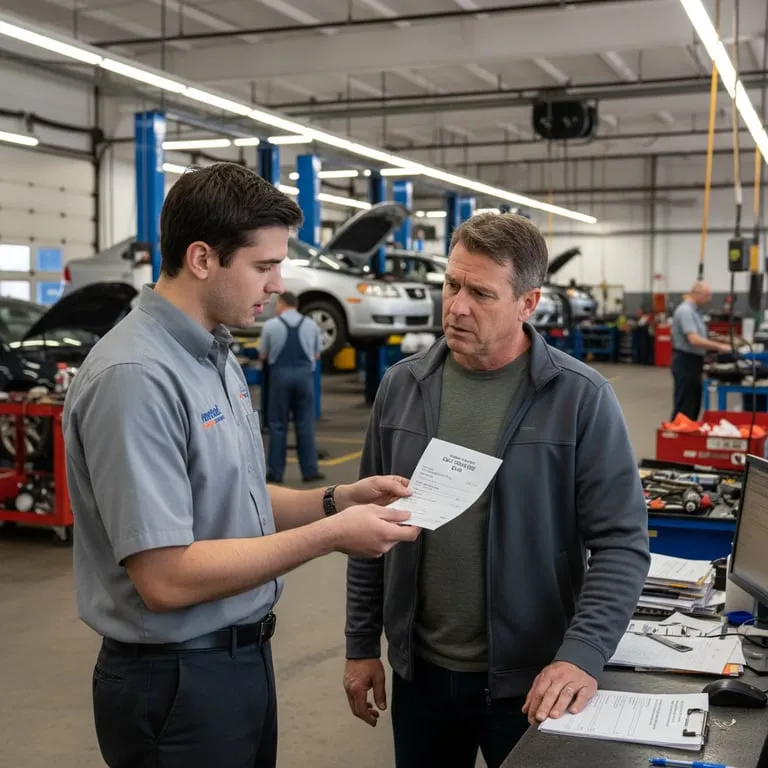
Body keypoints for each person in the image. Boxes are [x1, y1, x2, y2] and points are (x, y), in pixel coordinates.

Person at [62, 162, 421, 768]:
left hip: (239, 662)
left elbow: (240, 495)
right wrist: (331, 536)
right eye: (264, 266)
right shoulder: (136, 378)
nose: (279, 284)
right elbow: (166, 577)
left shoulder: (216, 354)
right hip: (175, 681)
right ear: (202, 258)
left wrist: (339, 499)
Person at [342, 212, 650, 768]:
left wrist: (581, 656)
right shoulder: (403, 387)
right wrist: (362, 645)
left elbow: (622, 543)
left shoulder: (580, 398)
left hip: (534, 684)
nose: (457, 306)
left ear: (528, 303)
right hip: (422, 679)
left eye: (481, 293)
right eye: (452, 285)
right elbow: (369, 528)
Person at [259, 291, 323, 484]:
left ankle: (276, 474)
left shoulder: (271, 325)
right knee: (305, 424)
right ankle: (310, 472)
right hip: (304, 378)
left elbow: (263, 355)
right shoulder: (311, 325)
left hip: (280, 377)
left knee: (278, 425)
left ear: (281, 304)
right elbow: (317, 355)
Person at [670, 281, 731, 420]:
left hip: (693, 362)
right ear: (697, 294)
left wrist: (721, 339)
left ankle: (687, 438)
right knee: (684, 408)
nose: (709, 299)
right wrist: (719, 347)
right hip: (686, 362)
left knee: (692, 405)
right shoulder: (686, 311)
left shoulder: (695, 311)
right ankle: (677, 439)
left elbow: (701, 334)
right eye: (707, 295)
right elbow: (694, 340)